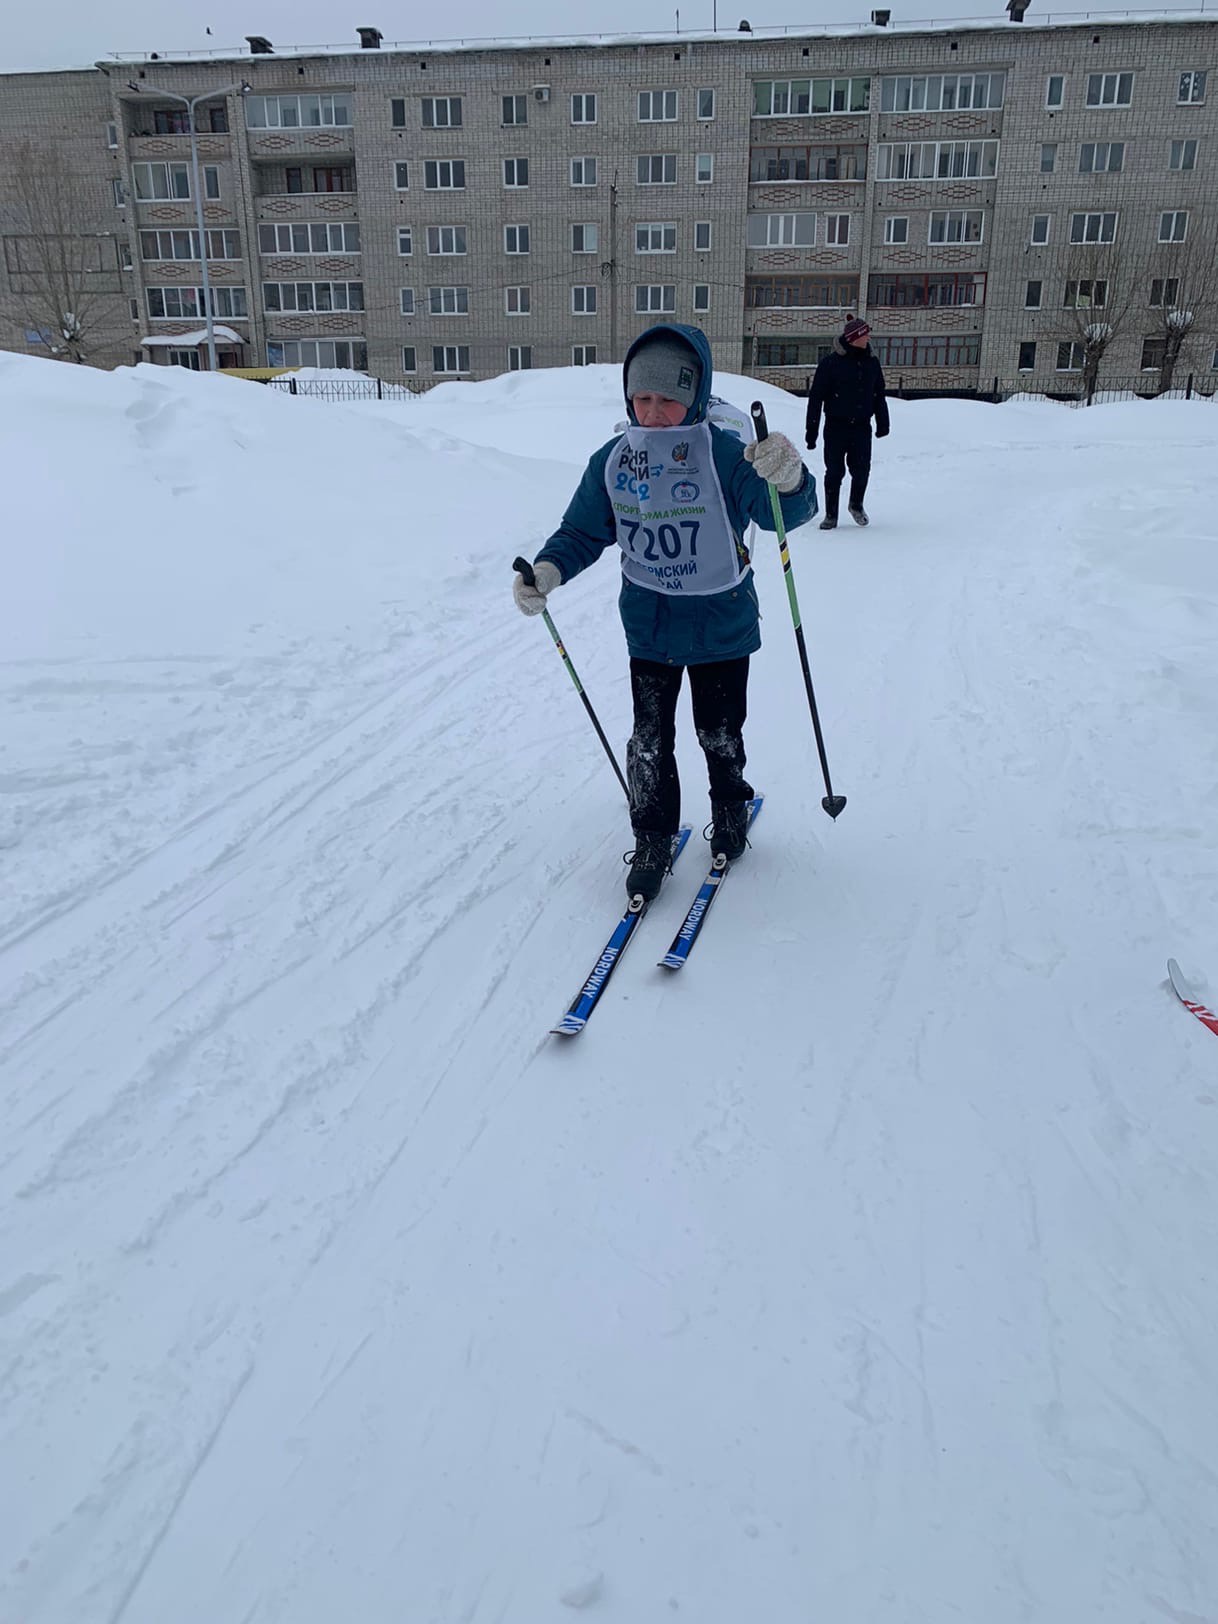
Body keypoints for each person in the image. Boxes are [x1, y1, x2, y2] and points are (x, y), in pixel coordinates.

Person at [513, 323, 818, 902]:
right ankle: (651, 834)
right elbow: (582, 530)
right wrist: (548, 571)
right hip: (649, 626)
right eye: (642, 398)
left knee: (719, 730)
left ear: (695, 396)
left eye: (668, 399)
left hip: (721, 623)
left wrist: (790, 477)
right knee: (648, 737)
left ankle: (730, 807)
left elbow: (786, 513)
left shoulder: (726, 454)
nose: (653, 413)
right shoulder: (613, 459)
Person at [805, 316, 890, 530]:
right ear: (854, 338)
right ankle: (831, 515)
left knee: (861, 469)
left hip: (862, 427)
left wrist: (883, 422)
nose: (869, 337)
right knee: (834, 471)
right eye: (865, 334)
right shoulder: (830, 364)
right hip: (836, 427)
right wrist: (811, 432)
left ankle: (856, 505)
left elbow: (879, 394)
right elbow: (816, 398)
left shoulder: (871, 362)